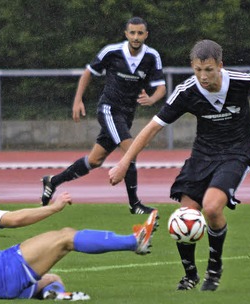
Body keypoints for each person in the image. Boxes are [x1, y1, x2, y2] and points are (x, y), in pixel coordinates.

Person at [108, 39, 250, 291]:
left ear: (220, 65)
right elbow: (152, 128)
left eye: (209, 70)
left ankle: (214, 269)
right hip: (203, 155)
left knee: (212, 208)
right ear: (192, 67)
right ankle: (190, 275)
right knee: (185, 215)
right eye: (197, 70)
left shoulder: (240, 80)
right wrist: (123, 163)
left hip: (237, 152)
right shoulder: (187, 91)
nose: (203, 76)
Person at [0, 176, 158, 300]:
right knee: (65, 237)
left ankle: (56, 295)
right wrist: (54, 207)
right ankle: (135, 241)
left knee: (51, 278)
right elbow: (15, 219)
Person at [40, 17, 166, 216]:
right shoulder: (112, 52)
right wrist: (78, 100)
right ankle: (135, 204)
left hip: (126, 115)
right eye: (132, 33)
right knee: (131, 151)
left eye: (140, 33)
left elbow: (161, 88)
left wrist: (151, 99)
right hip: (108, 109)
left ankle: (52, 181)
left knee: (95, 160)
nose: (136, 37)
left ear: (146, 35)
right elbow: (88, 72)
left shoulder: (152, 56)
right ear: (126, 34)